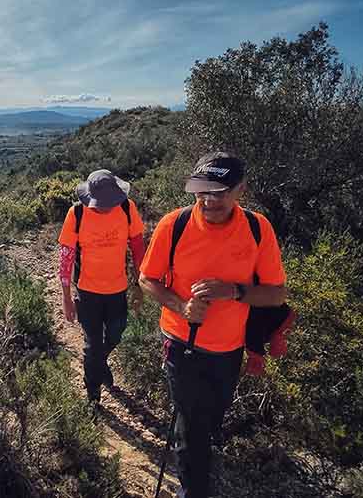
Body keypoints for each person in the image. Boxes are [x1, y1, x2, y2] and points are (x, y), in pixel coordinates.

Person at [139, 152, 287, 498]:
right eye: (203, 191)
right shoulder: (173, 225)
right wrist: (180, 306)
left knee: (212, 414)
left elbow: (277, 294)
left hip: (229, 349)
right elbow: (148, 279)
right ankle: (193, 489)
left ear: (241, 190)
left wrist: (233, 291)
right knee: (190, 427)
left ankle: (201, 446)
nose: (209, 200)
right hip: (181, 344)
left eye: (220, 191)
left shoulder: (257, 228)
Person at [58, 169, 146, 413]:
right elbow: (66, 256)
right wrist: (66, 297)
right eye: (99, 205)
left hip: (118, 289)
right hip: (87, 292)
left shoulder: (127, 209)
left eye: (108, 204)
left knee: (116, 335)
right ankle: (93, 393)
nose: (104, 208)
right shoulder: (76, 213)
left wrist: (140, 285)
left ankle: (99, 362)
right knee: (92, 344)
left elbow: (138, 246)